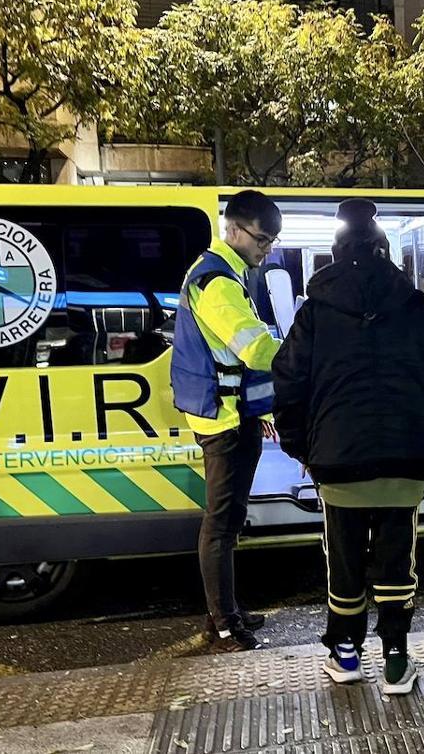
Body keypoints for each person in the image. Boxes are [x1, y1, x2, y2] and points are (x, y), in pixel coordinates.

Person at [272, 198, 424, 695]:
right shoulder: (415, 304)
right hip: (405, 460)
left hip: (337, 460)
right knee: (397, 556)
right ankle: (397, 661)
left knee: (345, 557)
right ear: (384, 251)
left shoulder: (315, 311)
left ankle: (346, 655)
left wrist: (304, 448)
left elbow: (288, 382)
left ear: (336, 254)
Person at [171, 189, 283, 652]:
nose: (267, 249)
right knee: (219, 525)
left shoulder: (229, 274)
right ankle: (221, 626)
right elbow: (254, 349)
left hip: (238, 414)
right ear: (234, 230)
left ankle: (229, 611)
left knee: (231, 520)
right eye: (262, 239)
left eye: (273, 241)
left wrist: (264, 409)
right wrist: (307, 356)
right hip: (223, 420)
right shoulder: (216, 281)